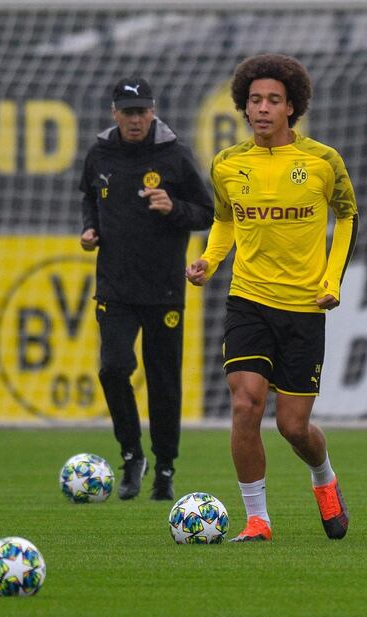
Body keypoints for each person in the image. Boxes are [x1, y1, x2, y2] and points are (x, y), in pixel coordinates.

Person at [186, 54, 358, 542]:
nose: (262, 108)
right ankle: (257, 519)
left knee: (293, 427)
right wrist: (209, 260)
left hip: (305, 306)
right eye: (255, 100)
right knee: (246, 404)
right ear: (244, 105)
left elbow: (347, 217)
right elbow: (224, 219)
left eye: (273, 101)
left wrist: (331, 281)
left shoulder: (323, 161)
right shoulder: (227, 163)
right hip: (248, 299)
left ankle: (324, 478)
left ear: (292, 108)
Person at [79, 76, 213, 501]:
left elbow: (207, 212)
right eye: (128, 112)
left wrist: (174, 208)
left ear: (152, 111)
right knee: (113, 368)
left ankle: (166, 467)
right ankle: (132, 454)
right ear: (114, 113)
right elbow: (89, 196)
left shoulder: (174, 156)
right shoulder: (100, 153)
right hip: (115, 286)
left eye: (142, 112)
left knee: (164, 381)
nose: (135, 120)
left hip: (163, 289)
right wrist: (90, 227)